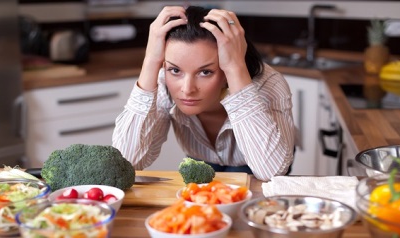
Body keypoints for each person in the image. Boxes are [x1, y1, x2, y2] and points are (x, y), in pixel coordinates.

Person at [112, 6, 295, 181]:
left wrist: (235, 68)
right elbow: (125, 162)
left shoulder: (268, 85)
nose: (187, 89)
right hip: (201, 159)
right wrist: (151, 60)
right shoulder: (163, 80)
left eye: (205, 72)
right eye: (175, 70)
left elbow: (270, 172)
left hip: (259, 162)